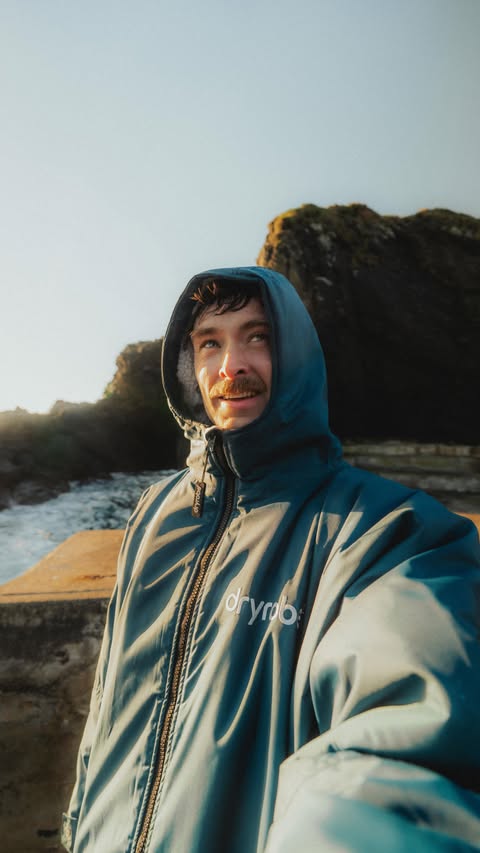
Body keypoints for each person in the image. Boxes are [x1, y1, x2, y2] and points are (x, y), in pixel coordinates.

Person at [63, 266, 480, 853]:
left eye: (257, 337)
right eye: (210, 343)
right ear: (188, 369)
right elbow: (108, 706)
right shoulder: (155, 513)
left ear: (296, 357)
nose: (231, 366)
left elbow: (408, 735)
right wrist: (78, 826)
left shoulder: (388, 533)